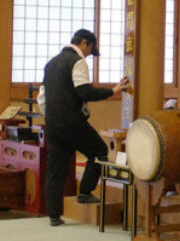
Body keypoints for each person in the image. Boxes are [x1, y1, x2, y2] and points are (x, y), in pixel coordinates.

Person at [40, 29, 128, 227]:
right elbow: (84, 92)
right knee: (99, 151)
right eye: (90, 50)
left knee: (55, 169)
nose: (89, 54)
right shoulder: (77, 61)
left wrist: (51, 117)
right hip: (72, 122)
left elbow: (42, 98)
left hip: (53, 123)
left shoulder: (51, 63)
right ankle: (85, 192)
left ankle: (54, 215)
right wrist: (111, 91)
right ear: (84, 43)